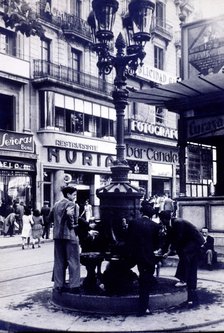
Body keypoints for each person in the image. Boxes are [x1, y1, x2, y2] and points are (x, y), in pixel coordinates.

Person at [159, 210, 205, 308]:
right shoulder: (170, 224)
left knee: (185, 257)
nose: (161, 222)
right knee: (183, 255)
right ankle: (185, 280)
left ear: (164, 219)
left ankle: (185, 281)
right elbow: (169, 238)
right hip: (188, 242)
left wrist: (169, 251)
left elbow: (177, 238)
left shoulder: (177, 223)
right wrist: (162, 250)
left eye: (161, 220)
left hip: (195, 242)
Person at [126, 200, 161, 316]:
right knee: (145, 283)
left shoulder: (133, 223)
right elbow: (157, 244)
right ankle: (143, 309)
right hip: (147, 257)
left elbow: (129, 239)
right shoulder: (155, 226)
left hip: (133, 255)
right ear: (152, 215)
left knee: (142, 279)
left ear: (141, 213)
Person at [49, 186, 80, 294]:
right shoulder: (71, 204)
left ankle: (58, 285)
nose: (75, 197)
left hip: (57, 236)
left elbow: (49, 218)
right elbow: (69, 214)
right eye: (74, 195)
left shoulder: (56, 204)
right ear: (68, 195)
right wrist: (73, 225)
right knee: (73, 260)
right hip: (69, 235)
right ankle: (74, 285)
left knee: (59, 261)